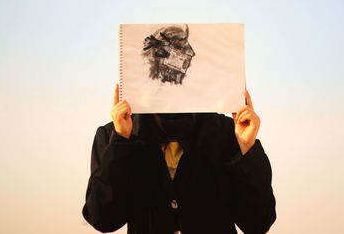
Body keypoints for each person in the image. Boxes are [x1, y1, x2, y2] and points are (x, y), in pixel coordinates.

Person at [82, 84, 276, 234]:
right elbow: (103, 219)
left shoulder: (229, 134)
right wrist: (120, 142)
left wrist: (247, 148)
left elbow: (258, 223)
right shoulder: (115, 135)